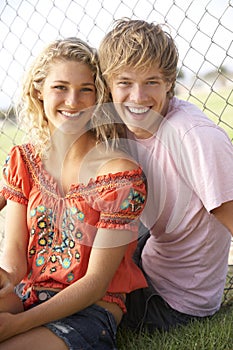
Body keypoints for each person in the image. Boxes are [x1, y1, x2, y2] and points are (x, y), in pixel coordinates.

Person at [0, 37, 147, 349]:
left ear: (99, 96)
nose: (73, 100)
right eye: (60, 87)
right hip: (28, 295)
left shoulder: (120, 176)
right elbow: (15, 264)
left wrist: (15, 326)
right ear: (38, 91)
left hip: (90, 309)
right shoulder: (23, 162)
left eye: (86, 89)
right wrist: (5, 279)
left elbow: (94, 285)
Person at [98, 18, 233, 333]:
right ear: (108, 85)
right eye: (125, 82)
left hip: (172, 300)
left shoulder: (195, 137)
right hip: (152, 256)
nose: (138, 96)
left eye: (152, 82)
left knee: (75, 301)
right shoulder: (118, 125)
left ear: (170, 83)